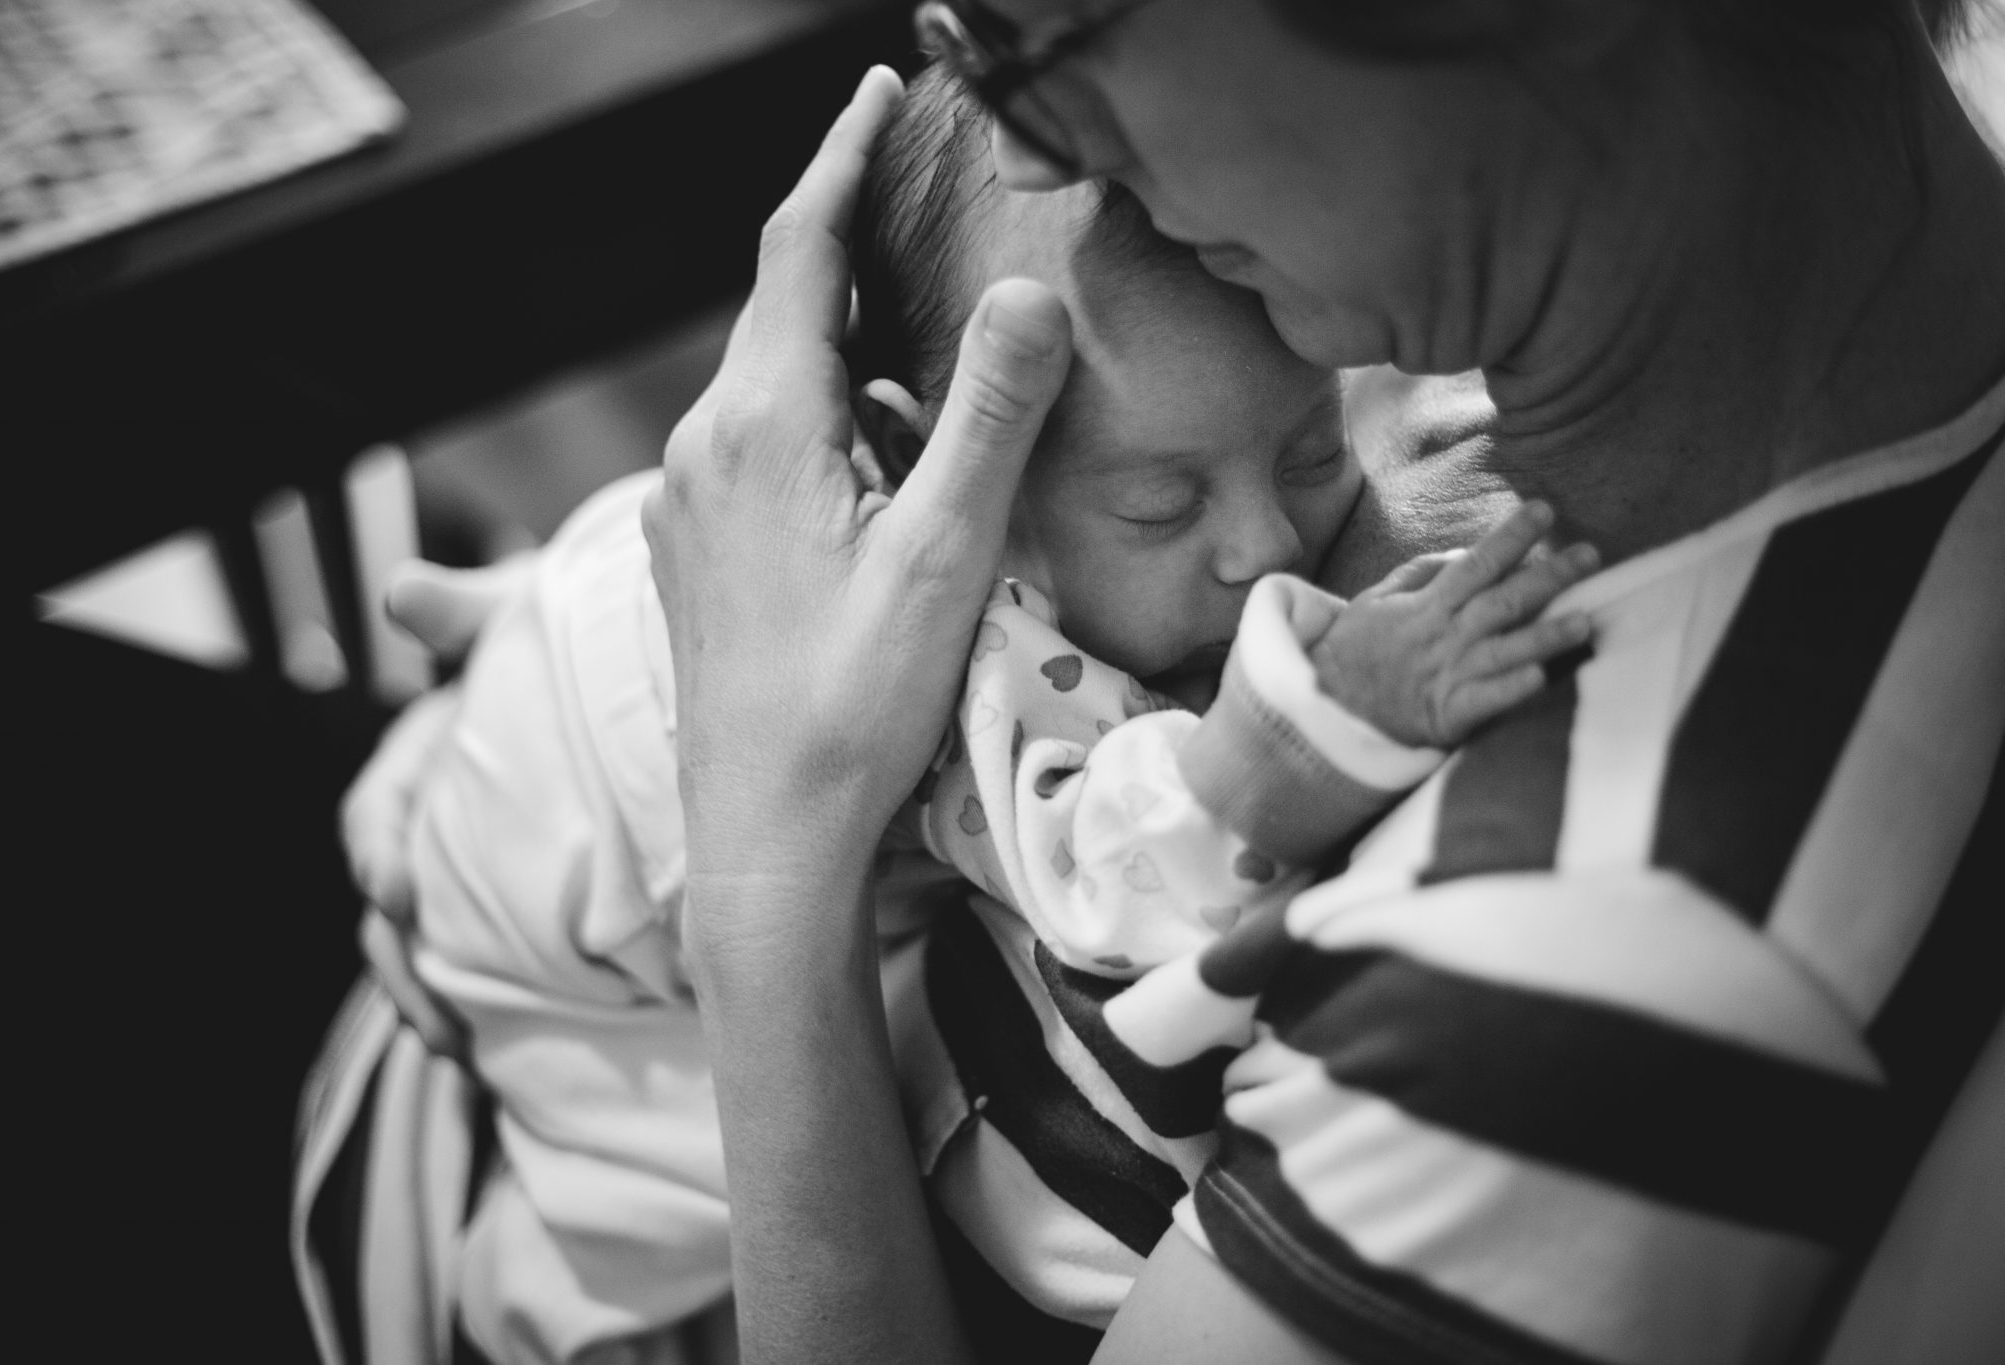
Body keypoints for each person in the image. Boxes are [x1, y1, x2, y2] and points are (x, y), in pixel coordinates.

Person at [623, 1, 2005, 1362]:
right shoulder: (1753, 298)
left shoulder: (1562, 980)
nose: (1034, 149)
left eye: (1056, 32)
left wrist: (763, 863)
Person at [305, 63, 1595, 1365]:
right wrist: (1311, 728)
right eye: (1158, 505)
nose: (1265, 546)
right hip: (545, 897)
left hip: (566, 659)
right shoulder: (974, 649)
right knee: (637, 1231)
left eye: (1310, 450)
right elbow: (1102, 864)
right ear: (923, 464)